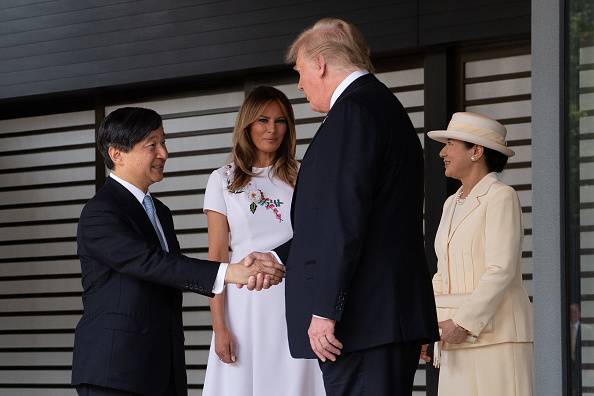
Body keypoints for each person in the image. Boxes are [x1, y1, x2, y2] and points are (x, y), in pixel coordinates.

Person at [274, 18, 440, 395]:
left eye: (300, 72)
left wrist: (325, 310)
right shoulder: (380, 106)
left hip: (363, 320)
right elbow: (362, 218)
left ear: (320, 64)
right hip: (381, 317)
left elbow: (342, 219)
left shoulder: (353, 113)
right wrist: (276, 255)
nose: (299, 84)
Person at [71, 107, 285, 396]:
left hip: (161, 369)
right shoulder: (100, 212)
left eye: (164, 142)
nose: (163, 153)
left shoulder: (159, 211)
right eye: (152, 144)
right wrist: (231, 271)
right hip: (115, 370)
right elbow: (153, 263)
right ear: (117, 155)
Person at [201, 86, 325, 395]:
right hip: (244, 306)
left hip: (297, 300)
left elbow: (319, 240)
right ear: (247, 124)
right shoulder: (223, 180)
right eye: (263, 120)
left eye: (281, 121)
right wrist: (220, 328)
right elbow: (216, 259)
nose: (272, 129)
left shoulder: (304, 175)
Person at [423, 112, 534, 395]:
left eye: (450, 143)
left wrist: (463, 323)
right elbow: (442, 274)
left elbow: (501, 270)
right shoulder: (452, 202)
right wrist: (427, 328)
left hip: (496, 337)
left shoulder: (501, 196)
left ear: (476, 150)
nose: (442, 152)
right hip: (451, 337)